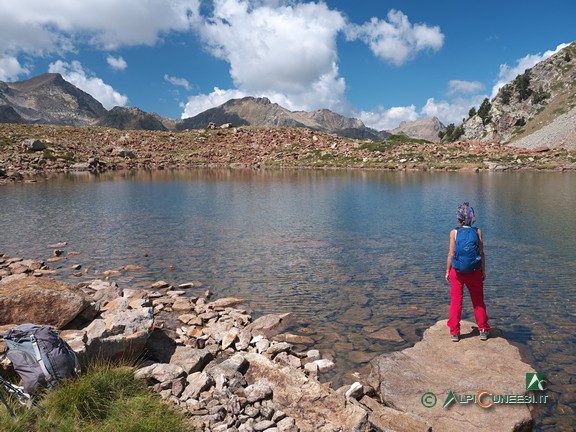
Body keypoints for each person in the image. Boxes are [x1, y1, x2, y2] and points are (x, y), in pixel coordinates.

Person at [445, 202, 491, 342]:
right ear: (472, 218)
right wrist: (483, 271)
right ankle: (482, 329)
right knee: (478, 301)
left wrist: (448, 271)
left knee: (456, 301)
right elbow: (481, 253)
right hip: (474, 271)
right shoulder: (477, 232)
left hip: (457, 273)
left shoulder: (454, 232)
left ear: (458, 219)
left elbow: (450, 254)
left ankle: (454, 332)